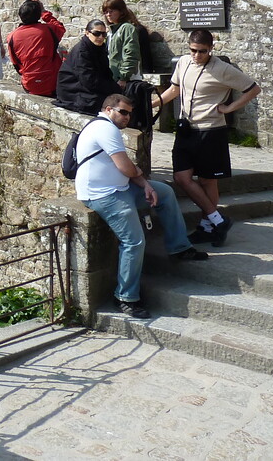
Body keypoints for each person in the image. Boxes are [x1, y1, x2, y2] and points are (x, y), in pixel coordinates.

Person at [76, 93, 209, 319]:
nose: (128, 117)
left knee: (164, 192)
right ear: (108, 109)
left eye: (130, 113)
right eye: (123, 112)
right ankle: (125, 297)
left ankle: (179, 247)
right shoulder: (105, 129)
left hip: (120, 188)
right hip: (103, 194)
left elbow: (127, 169)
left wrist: (146, 185)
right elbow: (127, 168)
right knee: (134, 241)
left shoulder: (109, 128)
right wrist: (139, 178)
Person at [153, 29, 261, 247]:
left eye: (202, 51)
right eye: (193, 50)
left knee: (207, 180)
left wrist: (230, 107)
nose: (196, 55)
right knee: (181, 177)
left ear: (211, 49)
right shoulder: (183, 62)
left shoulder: (222, 68)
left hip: (211, 131)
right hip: (186, 129)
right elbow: (174, 90)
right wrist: (153, 103)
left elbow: (253, 89)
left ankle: (207, 226)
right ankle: (218, 220)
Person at [55, 20, 122, 115]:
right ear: (87, 33)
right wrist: (114, 88)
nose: (100, 37)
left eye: (103, 34)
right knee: (106, 103)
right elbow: (89, 80)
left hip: (87, 86)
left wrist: (115, 88)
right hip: (72, 91)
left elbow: (105, 73)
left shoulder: (99, 48)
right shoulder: (82, 51)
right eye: (96, 33)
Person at [7, 0, 65, 96]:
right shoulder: (49, 30)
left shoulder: (12, 36)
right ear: (38, 15)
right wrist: (44, 12)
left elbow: (15, 63)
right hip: (52, 83)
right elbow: (59, 27)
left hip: (30, 85)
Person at [101, 0, 141, 90]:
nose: (108, 14)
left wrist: (124, 77)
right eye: (106, 12)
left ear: (121, 12)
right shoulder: (110, 32)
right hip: (114, 78)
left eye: (111, 11)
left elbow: (131, 54)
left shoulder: (127, 28)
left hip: (126, 80)